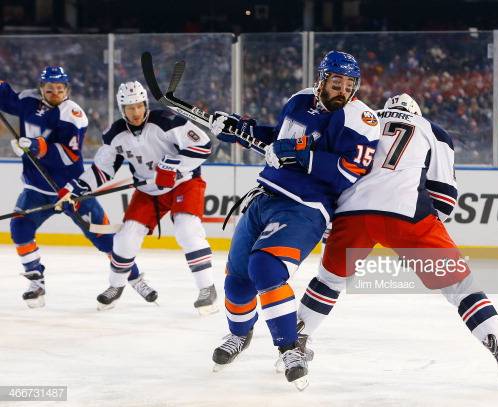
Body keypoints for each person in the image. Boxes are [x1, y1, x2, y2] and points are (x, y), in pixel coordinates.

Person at [296, 94, 498, 389]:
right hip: (408, 215)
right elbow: (444, 197)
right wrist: (421, 233)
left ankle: (294, 344)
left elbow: (334, 173)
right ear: (415, 111)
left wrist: (333, 222)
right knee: (461, 288)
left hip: (352, 213)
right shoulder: (431, 129)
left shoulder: (362, 119)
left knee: (329, 281)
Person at [208, 51, 380, 390]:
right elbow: (277, 141)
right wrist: (240, 129)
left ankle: (291, 349)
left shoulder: (361, 119)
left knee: (266, 268)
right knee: (237, 280)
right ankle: (239, 334)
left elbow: (349, 171)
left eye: (349, 84)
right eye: (337, 82)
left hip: (306, 206)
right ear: (322, 80)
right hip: (264, 196)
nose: (343, 90)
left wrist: (302, 155)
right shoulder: (300, 100)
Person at [56, 81, 217, 313]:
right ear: (122, 109)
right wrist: (74, 190)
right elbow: (102, 169)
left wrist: (171, 166)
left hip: (184, 182)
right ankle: (115, 286)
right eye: (130, 108)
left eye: (140, 105)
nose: (136, 112)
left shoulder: (167, 121)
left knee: (186, 228)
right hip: (148, 190)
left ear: (145, 104)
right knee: (126, 236)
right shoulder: (115, 134)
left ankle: (207, 288)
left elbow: (203, 145)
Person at [0, 66, 150, 308]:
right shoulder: (28, 100)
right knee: (19, 227)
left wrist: (36, 146)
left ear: (67, 89)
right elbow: (5, 97)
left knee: (104, 239)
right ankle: (36, 282)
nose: (55, 93)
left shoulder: (73, 114)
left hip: (71, 191)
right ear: (41, 88)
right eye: (50, 89)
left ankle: (135, 279)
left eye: (60, 89)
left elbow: (69, 155)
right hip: (36, 189)